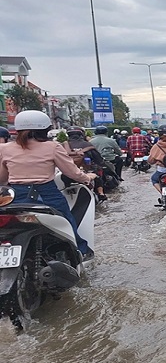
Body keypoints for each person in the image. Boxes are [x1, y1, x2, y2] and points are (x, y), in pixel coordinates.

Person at [0, 110, 97, 256]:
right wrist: (87, 178)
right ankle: (80, 252)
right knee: (67, 222)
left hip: (14, 197)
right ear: (45, 130)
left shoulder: (4, 149)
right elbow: (71, 172)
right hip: (46, 194)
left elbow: (2, 178)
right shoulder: (52, 147)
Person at [63, 126, 108, 201]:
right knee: (97, 174)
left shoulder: (62, 145)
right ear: (82, 135)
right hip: (86, 171)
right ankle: (101, 193)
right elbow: (99, 160)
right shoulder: (88, 145)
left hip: (66, 172)